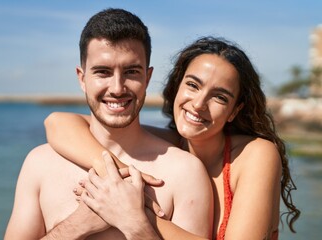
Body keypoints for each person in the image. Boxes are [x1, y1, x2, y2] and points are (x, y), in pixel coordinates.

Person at [44, 36, 300, 239]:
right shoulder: (172, 145)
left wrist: (133, 213)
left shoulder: (256, 155)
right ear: (177, 86)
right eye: (193, 85)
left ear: (234, 111)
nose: (199, 104)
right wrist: (119, 176)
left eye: (220, 97)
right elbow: (57, 122)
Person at [4, 8, 213, 240]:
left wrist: (134, 223)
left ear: (147, 77)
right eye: (102, 72)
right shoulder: (39, 164)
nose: (116, 88)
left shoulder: (184, 172)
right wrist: (80, 223)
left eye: (131, 71)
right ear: (82, 79)